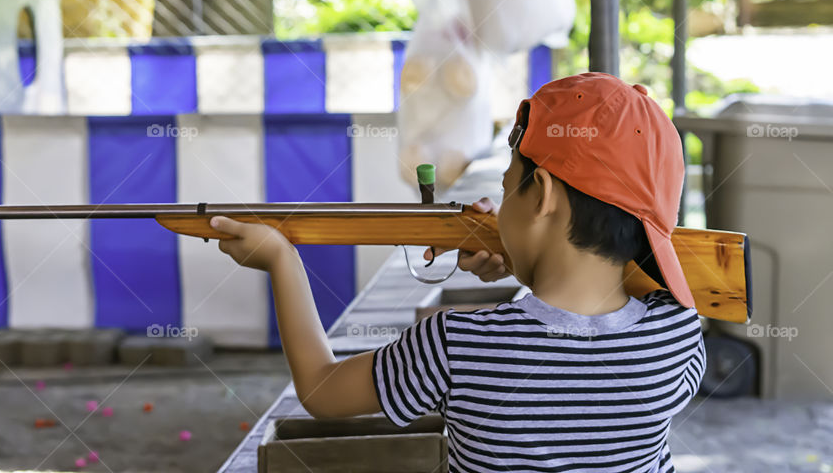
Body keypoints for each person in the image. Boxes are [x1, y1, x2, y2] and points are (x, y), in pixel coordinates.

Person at [211, 72, 706, 472]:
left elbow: (320, 390)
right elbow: (583, 316)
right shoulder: (678, 332)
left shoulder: (456, 343)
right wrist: (518, 256)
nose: (502, 198)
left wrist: (281, 259)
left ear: (544, 197)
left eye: (510, 184)